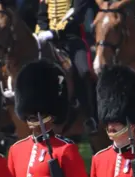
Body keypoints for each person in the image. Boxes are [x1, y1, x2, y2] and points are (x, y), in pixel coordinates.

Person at [34, 0, 98, 134]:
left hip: (71, 39)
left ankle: (90, 116)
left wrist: (54, 33)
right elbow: (41, 16)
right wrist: (41, 31)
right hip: (49, 42)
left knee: (83, 71)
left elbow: (77, 15)